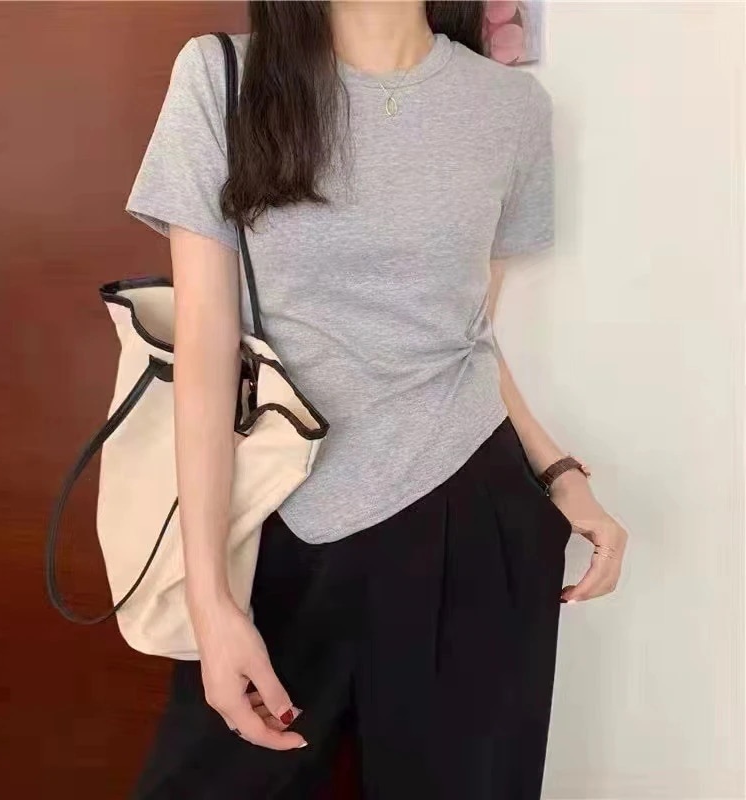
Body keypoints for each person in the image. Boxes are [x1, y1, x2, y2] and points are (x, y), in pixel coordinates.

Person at [124, 2, 628, 797]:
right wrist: (210, 598)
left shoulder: (511, 108)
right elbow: (205, 350)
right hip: (280, 520)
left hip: (469, 516)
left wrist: (557, 470)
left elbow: (466, 335)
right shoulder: (223, 77)